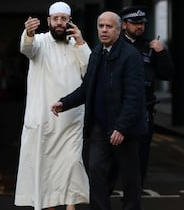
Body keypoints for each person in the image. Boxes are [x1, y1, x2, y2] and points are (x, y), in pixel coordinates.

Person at [51, 11, 147, 210]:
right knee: (95, 172)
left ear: (119, 30)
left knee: (130, 179)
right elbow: (87, 88)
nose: (104, 30)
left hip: (124, 130)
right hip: (100, 128)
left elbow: (134, 97)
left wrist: (121, 127)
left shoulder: (131, 56)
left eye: (109, 26)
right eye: (101, 26)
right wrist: (64, 102)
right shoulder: (97, 53)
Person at [14, 1, 90, 210]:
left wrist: (81, 41)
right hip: (43, 119)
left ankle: (70, 204)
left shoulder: (77, 44)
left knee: (72, 163)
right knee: (45, 165)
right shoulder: (39, 41)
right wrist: (28, 33)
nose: (59, 23)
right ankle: (47, 205)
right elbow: (26, 49)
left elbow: (89, 69)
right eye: (55, 19)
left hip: (71, 118)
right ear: (48, 21)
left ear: (69, 21)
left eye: (63, 19)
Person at [118, 5, 174, 188]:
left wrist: (162, 53)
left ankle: (135, 193)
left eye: (142, 23)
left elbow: (167, 74)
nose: (139, 27)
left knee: (141, 155)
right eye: (135, 23)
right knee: (113, 155)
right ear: (124, 24)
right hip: (118, 108)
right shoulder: (115, 44)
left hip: (144, 108)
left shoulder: (151, 45)